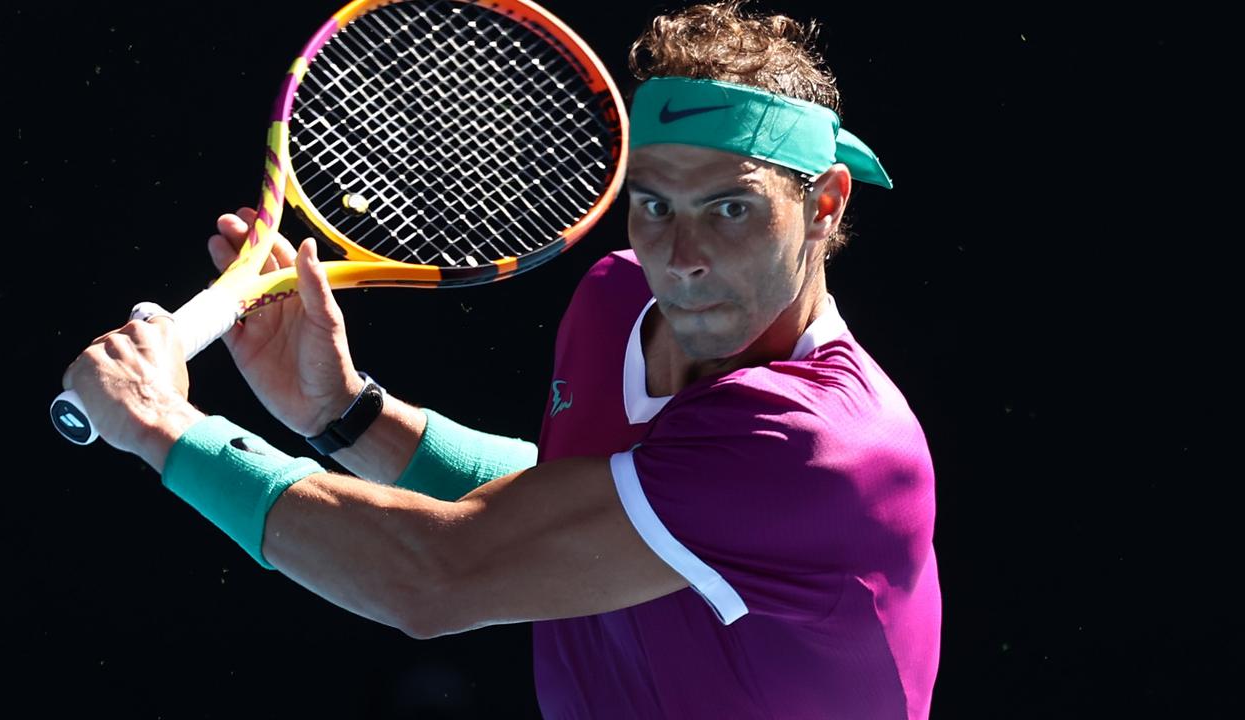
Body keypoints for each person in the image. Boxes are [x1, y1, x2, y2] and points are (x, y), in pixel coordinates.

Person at [61, 1, 941, 717]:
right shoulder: (615, 298)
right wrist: (346, 415)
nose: (682, 255)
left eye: (732, 208)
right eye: (654, 205)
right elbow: (579, 496)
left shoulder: (823, 446)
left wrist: (165, 429)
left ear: (824, 203)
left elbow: (437, 577)